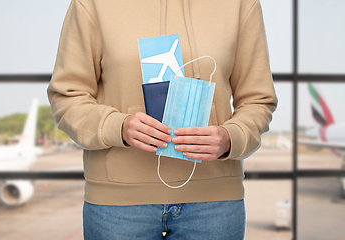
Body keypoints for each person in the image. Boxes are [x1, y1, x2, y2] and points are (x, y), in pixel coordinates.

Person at [47, 0, 278, 239]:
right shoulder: (92, 3)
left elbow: (258, 100)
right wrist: (119, 126)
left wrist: (231, 137)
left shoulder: (240, 4)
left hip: (214, 202)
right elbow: (67, 96)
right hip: (118, 204)